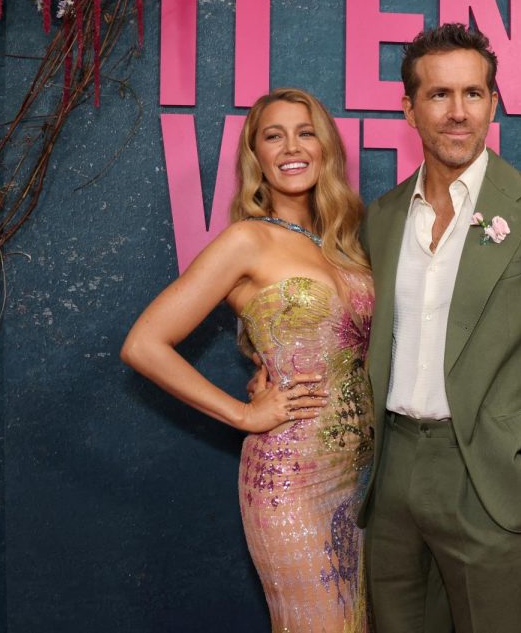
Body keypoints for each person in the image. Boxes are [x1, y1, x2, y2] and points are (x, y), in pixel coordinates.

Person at [358, 23, 521, 633]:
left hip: (486, 479)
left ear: (494, 102)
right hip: (391, 474)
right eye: (438, 95)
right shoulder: (381, 218)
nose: (457, 113)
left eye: (473, 93)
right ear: (408, 108)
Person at [121, 88, 374, 633]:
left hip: (361, 479)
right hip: (290, 476)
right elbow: (144, 344)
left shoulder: (346, 245)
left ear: (326, 147)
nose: (291, 146)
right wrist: (243, 415)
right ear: (255, 156)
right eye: (273, 135)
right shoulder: (246, 241)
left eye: (305, 132)